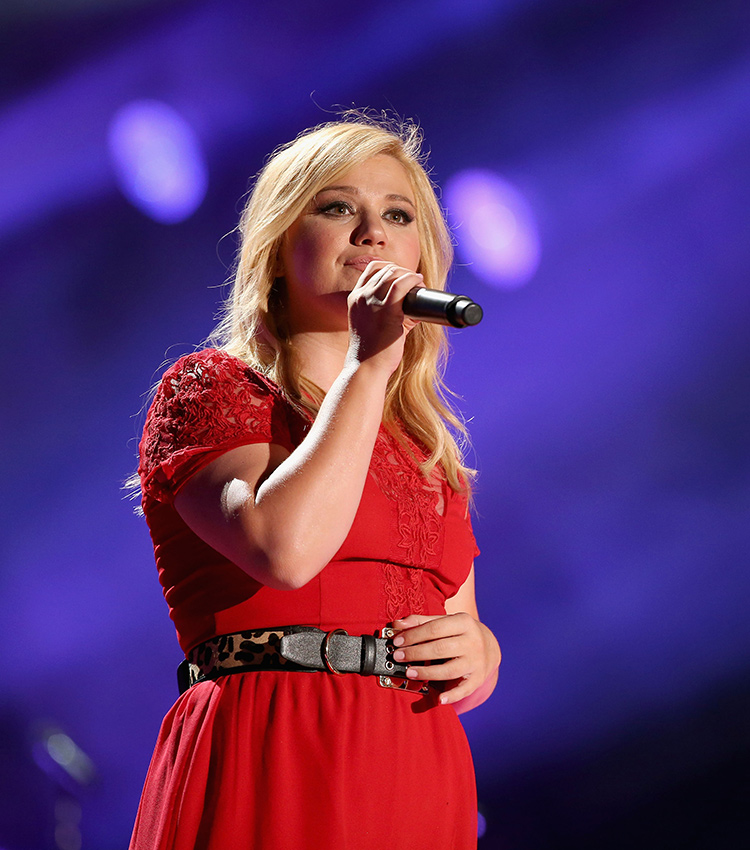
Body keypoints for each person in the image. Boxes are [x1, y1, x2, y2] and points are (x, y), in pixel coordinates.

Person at [129, 113, 501, 850]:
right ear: (277, 250)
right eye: (338, 207)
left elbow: (459, 627)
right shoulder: (211, 389)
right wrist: (368, 365)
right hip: (277, 738)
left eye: (398, 216)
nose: (373, 233)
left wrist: (482, 654)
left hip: (414, 761)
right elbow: (286, 550)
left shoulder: (427, 450)